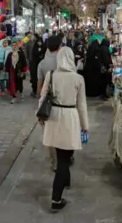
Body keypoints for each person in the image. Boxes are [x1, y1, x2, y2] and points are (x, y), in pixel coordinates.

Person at [38, 46, 89, 213]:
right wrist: (85, 126)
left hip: (53, 116)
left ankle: (66, 181)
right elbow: (82, 105)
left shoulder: (51, 75)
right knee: (64, 158)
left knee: (61, 153)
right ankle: (56, 199)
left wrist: (40, 115)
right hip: (70, 116)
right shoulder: (78, 78)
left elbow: (43, 96)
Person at [37, 35, 64, 170]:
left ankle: (55, 163)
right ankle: (66, 157)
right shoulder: (64, 62)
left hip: (48, 103)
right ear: (59, 47)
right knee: (63, 131)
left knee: (50, 133)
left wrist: (40, 102)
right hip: (64, 102)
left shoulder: (42, 64)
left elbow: (40, 86)